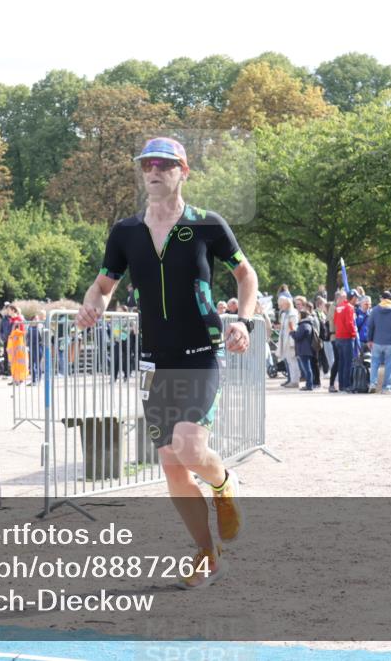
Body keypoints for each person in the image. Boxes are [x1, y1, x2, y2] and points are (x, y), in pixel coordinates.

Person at [76, 136, 258, 589]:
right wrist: (90, 303)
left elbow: (245, 274)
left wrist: (244, 321)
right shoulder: (125, 232)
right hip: (153, 362)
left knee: (190, 448)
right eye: (146, 165)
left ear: (183, 171)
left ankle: (224, 484)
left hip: (199, 355)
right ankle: (207, 554)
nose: (153, 171)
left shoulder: (206, 225)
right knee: (171, 465)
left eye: (164, 164)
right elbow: (102, 285)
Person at [366, 291, 391, 394]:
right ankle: (386, 388)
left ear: (382, 299)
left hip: (377, 341)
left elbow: (370, 326)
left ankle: (373, 383)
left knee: (374, 364)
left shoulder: (375, 310)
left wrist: (369, 339)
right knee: (390, 365)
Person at [333, 290, 358, 392]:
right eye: (356, 298)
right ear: (353, 298)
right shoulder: (350, 307)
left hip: (338, 337)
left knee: (341, 362)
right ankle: (347, 385)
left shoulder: (338, 307)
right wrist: (354, 333)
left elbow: (335, 321)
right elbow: (349, 323)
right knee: (348, 362)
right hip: (347, 337)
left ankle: (341, 385)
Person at [277, 295, 300, 388]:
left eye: (281, 305)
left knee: (293, 361)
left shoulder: (293, 313)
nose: (280, 307)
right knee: (289, 361)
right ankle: (291, 380)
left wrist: (292, 343)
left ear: (286, 304)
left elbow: (293, 328)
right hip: (284, 340)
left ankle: (295, 381)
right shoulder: (284, 314)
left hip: (290, 341)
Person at [291, 310, 317, 390]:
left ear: (301, 316)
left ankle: (309, 385)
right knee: (307, 368)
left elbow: (298, 337)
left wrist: (292, 332)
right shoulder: (307, 324)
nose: (297, 317)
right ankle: (309, 385)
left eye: (298, 315)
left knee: (307, 369)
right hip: (306, 349)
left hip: (304, 350)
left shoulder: (303, 325)